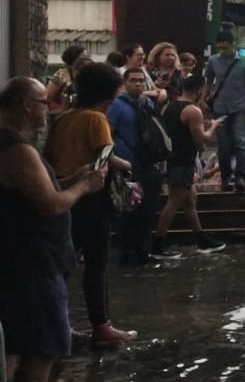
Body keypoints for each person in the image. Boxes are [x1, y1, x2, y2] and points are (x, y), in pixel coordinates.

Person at [0, 77, 107, 382]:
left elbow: (39, 190)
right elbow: (49, 204)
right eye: (44, 102)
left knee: (15, 343)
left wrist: (69, 177)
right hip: (32, 262)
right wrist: (84, 187)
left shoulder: (18, 147)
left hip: (21, 259)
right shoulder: (16, 149)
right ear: (27, 105)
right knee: (42, 347)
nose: (50, 108)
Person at [42, 62, 135, 346]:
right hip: (91, 198)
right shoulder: (96, 120)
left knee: (64, 265)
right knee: (96, 264)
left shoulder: (64, 118)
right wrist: (127, 164)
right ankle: (101, 326)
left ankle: (60, 323)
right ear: (109, 95)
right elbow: (104, 155)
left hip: (64, 192)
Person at [151, 74, 226, 255]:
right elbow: (200, 140)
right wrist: (213, 126)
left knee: (190, 200)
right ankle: (157, 243)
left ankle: (201, 239)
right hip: (183, 161)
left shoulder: (170, 107)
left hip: (172, 158)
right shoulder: (193, 111)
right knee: (174, 202)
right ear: (200, 90)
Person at [106, 67, 162, 266]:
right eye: (133, 80)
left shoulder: (147, 103)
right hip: (127, 164)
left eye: (141, 81)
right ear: (125, 83)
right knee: (129, 213)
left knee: (148, 212)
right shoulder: (117, 106)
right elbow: (108, 135)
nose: (138, 84)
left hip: (148, 163)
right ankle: (127, 254)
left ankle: (143, 251)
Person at [200, 31, 245, 192]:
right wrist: (203, 100)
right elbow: (208, 82)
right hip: (220, 107)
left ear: (232, 45)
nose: (222, 50)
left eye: (225, 47)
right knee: (223, 145)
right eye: (219, 47)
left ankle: (240, 176)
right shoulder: (213, 61)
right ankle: (225, 178)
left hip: (239, 106)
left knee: (240, 142)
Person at [46, 45, 90, 113]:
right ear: (74, 59)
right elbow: (49, 95)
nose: (87, 60)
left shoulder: (91, 73)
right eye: (83, 57)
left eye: (88, 57)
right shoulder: (62, 74)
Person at [146, 42, 181, 107]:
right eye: (167, 55)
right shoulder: (148, 70)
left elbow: (179, 91)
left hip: (171, 105)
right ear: (158, 56)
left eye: (172, 55)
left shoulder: (178, 72)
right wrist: (154, 84)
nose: (170, 57)